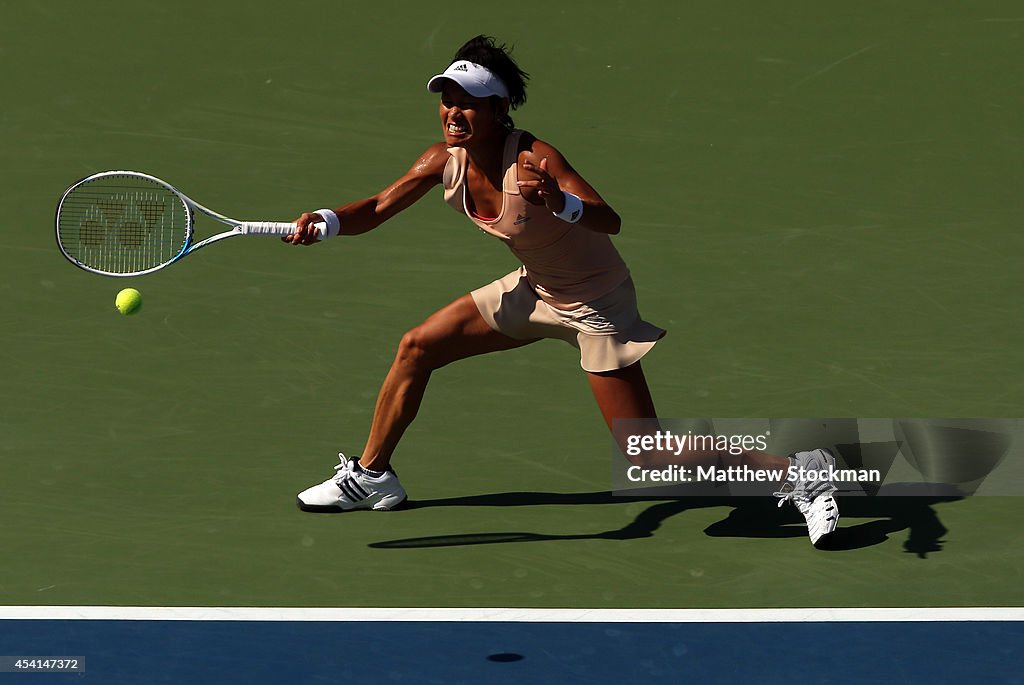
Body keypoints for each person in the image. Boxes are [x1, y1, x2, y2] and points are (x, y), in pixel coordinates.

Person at [282, 36, 839, 547]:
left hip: (597, 304)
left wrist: (558, 202)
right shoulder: (440, 160)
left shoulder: (535, 158)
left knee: (647, 455)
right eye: (447, 98)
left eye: (469, 101)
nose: (454, 111)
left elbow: (609, 220)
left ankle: (799, 473)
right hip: (536, 289)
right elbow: (377, 207)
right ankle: (373, 476)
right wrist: (326, 221)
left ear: (499, 109)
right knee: (416, 347)